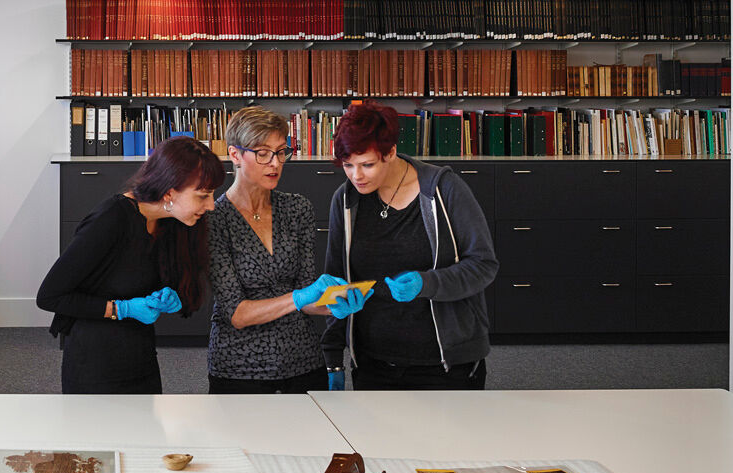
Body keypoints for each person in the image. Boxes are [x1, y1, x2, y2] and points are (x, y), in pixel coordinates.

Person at [321, 101, 498, 391]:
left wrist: (427, 283)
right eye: (348, 165)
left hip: (446, 365)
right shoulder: (346, 200)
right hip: (373, 363)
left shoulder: (444, 189)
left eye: (367, 164)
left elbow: (483, 264)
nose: (356, 176)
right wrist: (333, 356)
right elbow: (336, 279)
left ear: (390, 153)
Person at [37, 136, 224, 394]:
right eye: (203, 195)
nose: (212, 206)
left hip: (139, 354)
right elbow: (49, 296)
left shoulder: (172, 221)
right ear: (169, 192)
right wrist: (121, 309)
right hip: (94, 360)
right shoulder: (110, 219)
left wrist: (171, 294)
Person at [206, 107, 355, 394]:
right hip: (240, 366)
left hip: (301, 360)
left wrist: (337, 305)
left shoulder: (297, 208)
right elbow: (237, 313)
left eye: (280, 151)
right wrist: (299, 298)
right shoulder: (214, 218)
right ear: (235, 155)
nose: (275, 163)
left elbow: (308, 297)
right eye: (262, 153)